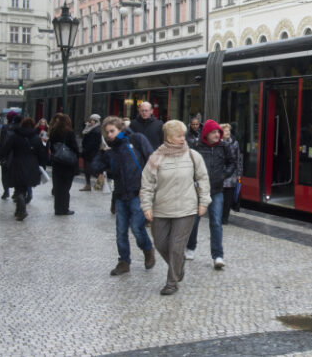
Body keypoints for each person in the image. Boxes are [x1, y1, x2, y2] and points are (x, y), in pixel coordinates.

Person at [141, 120, 211, 295]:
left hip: (186, 208)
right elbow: (147, 184)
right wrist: (146, 205)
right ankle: (178, 266)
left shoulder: (193, 156)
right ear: (169, 138)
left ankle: (172, 282)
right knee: (160, 242)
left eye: (183, 135)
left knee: (176, 247)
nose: (183, 139)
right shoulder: (156, 157)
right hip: (161, 208)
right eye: (179, 136)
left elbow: (203, 179)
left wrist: (203, 202)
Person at [90, 116, 156, 276]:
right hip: (120, 194)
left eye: (112, 131)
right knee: (120, 230)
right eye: (107, 133)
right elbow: (94, 168)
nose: (110, 135)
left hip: (138, 192)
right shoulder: (110, 151)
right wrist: (101, 151)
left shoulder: (136, 139)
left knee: (137, 227)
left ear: (120, 129)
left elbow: (152, 160)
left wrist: (149, 186)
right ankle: (124, 261)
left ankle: (147, 249)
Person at [185, 119, 235, 269]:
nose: (216, 135)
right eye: (213, 132)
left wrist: (223, 175)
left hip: (217, 190)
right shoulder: (196, 146)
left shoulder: (224, 146)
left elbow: (233, 162)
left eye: (218, 132)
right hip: (198, 191)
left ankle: (218, 256)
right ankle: (191, 247)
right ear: (206, 134)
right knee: (194, 222)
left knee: (216, 222)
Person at [0, 117, 47, 221]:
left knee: (19, 186)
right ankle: (20, 206)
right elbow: (42, 153)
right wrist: (42, 165)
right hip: (32, 165)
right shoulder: (36, 138)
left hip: (17, 163)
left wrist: (2, 158)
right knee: (25, 185)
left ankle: (20, 202)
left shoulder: (15, 137)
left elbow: (5, 149)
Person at [49, 113, 79, 216]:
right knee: (66, 188)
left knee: (58, 187)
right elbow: (75, 147)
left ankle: (57, 208)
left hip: (57, 163)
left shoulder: (53, 132)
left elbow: (51, 146)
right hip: (67, 164)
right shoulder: (69, 133)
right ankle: (64, 208)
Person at [220, 123, 242, 224]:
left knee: (228, 199)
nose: (228, 132)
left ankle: (225, 218)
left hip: (231, 175)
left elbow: (238, 159)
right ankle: (218, 216)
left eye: (229, 131)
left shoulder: (235, 143)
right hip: (219, 175)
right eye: (226, 131)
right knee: (220, 199)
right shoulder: (217, 143)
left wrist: (239, 174)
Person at [0, 110, 21, 200]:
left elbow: (2, 142)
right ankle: (16, 192)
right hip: (16, 154)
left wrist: (1, 155)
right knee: (16, 174)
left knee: (5, 174)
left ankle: (6, 191)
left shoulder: (5, 128)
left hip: (6, 154)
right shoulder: (19, 128)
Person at [80, 114, 101, 191]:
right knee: (87, 169)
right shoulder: (88, 128)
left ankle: (100, 181)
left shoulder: (96, 130)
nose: (91, 121)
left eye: (93, 120)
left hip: (92, 152)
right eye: (91, 120)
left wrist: (86, 149)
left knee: (91, 169)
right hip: (88, 152)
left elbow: (93, 143)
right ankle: (88, 184)